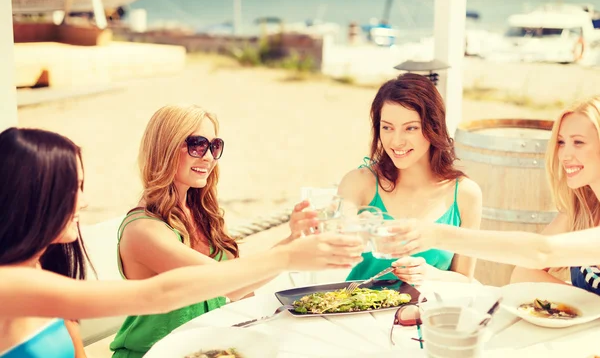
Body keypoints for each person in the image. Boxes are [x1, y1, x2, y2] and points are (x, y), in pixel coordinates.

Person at [0, 127, 363, 358]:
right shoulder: (11, 284)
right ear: (35, 197)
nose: (85, 201)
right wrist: (286, 256)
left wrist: (289, 247)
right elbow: (159, 294)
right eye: (73, 189)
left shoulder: (41, 266)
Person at [110, 104, 330, 358]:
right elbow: (227, 284)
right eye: (197, 145)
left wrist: (293, 240)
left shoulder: (203, 213)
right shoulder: (144, 230)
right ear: (165, 149)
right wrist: (291, 252)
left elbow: (242, 288)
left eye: (214, 146)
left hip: (205, 350)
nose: (208, 157)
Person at [388, 96, 600, 295]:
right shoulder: (583, 208)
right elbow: (524, 273)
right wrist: (587, 304)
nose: (564, 154)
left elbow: (540, 252)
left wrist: (438, 236)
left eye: (578, 142)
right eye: (561, 142)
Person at [337, 73, 482, 286]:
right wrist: (350, 231)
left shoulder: (466, 194)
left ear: (433, 127)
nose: (396, 141)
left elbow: (464, 278)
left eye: (410, 128)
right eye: (387, 127)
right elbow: (337, 236)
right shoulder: (359, 183)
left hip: (427, 314)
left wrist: (430, 275)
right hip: (358, 311)